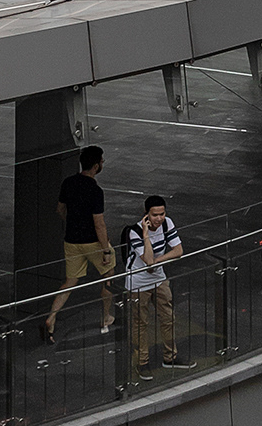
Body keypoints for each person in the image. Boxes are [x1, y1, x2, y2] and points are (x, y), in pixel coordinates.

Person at [41, 145, 115, 344]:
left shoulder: (68, 182)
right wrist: (105, 250)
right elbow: (99, 223)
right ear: (96, 166)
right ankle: (105, 317)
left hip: (72, 241)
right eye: (101, 160)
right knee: (108, 277)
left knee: (69, 282)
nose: (103, 163)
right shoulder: (95, 190)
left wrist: (73, 220)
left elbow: (60, 209)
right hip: (93, 242)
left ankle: (52, 317)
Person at [124, 195, 196, 379]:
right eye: (155, 215)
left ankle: (170, 356)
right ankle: (142, 362)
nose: (159, 218)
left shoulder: (167, 223)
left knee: (168, 317)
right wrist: (147, 236)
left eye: (162, 214)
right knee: (141, 323)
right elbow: (147, 260)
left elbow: (178, 250)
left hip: (159, 279)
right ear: (146, 214)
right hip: (138, 283)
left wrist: (158, 261)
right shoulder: (135, 232)